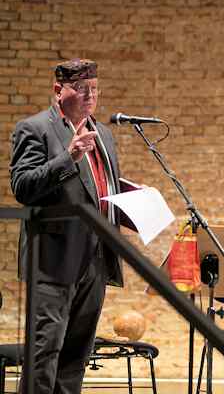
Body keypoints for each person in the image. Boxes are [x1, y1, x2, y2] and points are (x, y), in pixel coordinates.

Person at [10, 59, 123, 394]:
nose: (90, 96)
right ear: (59, 91)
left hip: (96, 258)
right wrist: (68, 157)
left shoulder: (102, 133)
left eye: (95, 89)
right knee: (44, 352)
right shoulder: (35, 129)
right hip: (53, 260)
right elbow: (23, 187)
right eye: (82, 89)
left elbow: (101, 187)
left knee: (76, 356)